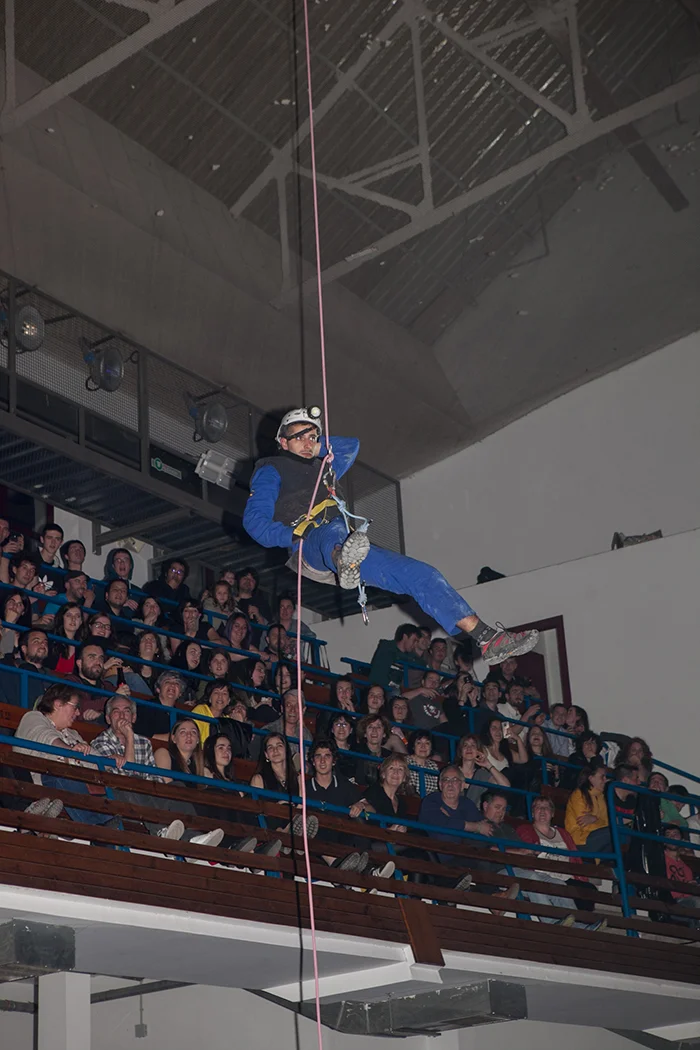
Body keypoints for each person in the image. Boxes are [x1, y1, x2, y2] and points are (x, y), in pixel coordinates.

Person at [243, 409, 538, 666]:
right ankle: (343, 558)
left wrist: (317, 445)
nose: (308, 443)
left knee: (423, 575)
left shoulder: (323, 468)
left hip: (348, 548)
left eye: (312, 437)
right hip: (311, 548)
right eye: (299, 437)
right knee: (334, 531)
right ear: (283, 442)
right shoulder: (271, 469)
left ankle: (487, 638)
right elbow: (255, 523)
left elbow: (350, 447)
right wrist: (296, 533)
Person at [13, 683, 116, 826]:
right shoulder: (33, 717)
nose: (78, 713)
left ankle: (104, 826)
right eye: (75, 706)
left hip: (71, 789)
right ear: (58, 704)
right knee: (63, 774)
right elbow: (48, 738)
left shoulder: (73, 734)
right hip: (41, 785)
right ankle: (97, 827)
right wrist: (70, 750)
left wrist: (109, 760)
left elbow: (94, 757)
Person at [515, 796, 604, 929]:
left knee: (588, 890)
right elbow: (526, 855)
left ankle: (583, 925)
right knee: (565, 888)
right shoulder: (525, 830)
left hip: (566, 877)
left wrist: (580, 877)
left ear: (552, 813)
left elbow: (575, 858)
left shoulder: (563, 834)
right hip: (543, 876)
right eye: (538, 807)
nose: (542, 811)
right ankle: (579, 927)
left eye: (546, 808)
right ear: (533, 813)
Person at [71, 641, 130, 721]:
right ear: (79, 663)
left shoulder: (107, 686)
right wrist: (112, 698)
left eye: (101, 658)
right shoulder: (70, 682)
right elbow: (77, 706)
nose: (98, 662)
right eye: (92, 657)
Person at [565, 765, 611, 852]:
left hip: (595, 837)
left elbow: (607, 822)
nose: (605, 780)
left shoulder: (601, 797)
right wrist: (599, 821)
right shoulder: (579, 795)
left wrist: (595, 819)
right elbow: (585, 826)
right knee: (614, 833)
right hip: (579, 839)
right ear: (591, 778)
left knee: (620, 837)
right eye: (602, 777)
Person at [456, 733, 511, 806]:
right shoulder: (453, 771)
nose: (469, 748)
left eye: (473, 745)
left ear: (478, 751)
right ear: (460, 752)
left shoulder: (481, 774)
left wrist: (488, 765)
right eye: (465, 745)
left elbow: (506, 785)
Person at [261, 688, 312, 761]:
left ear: (303, 710)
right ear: (282, 708)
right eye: (288, 705)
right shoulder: (269, 730)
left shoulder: (306, 735)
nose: (292, 710)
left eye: (297, 706)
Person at [134, 669, 186, 739]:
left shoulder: (181, 717)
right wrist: (169, 738)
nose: (172, 685)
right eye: (167, 682)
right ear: (158, 689)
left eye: (177, 683)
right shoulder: (145, 707)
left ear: (180, 693)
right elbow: (139, 733)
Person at [664, 825, 700, 926]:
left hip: (688, 900)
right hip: (672, 902)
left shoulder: (686, 866)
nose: (672, 837)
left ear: (682, 839)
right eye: (668, 835)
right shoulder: (660, 860)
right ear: (664, 841)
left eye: (675, 834)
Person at [368, 624, 420, 691]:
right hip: (381, 689)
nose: (415, 645)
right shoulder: (387, 648)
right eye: (414, 640)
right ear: (405, 637)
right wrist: (396, 687)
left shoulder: (413, 657)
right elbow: (378, 676)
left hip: (398, 691)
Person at [355, 713, 400, 784]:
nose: (374, 730)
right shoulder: (355, 752)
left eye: (378, 727)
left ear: (384, 733)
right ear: (365, 733)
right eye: (370, 727)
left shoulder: (390, 757)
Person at [45, 603, 84, 674]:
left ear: (81, 621)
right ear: (61, 618)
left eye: (77, 616)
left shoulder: (82, 646)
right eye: (69, 615)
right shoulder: (49, 638)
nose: (73, 619)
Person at [407, 729, 440, 795]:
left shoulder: (433, 766)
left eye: (427, 743)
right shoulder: (406, 762)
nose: (423, 746)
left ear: (431, 747)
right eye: (419, 743)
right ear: (413, 746)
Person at [327, 711, 358, 780]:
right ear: (332, 729)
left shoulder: (357, 751)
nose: (341, 727)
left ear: (351, 730)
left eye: (345, 724)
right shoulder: (326, 749)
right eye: (338, 724)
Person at [36, 522, 64, 591]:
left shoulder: (60, 573)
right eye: (49, 538)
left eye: (57, 539)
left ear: (61, 542)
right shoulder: (29, 560)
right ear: (42, 539)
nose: (53, 542)